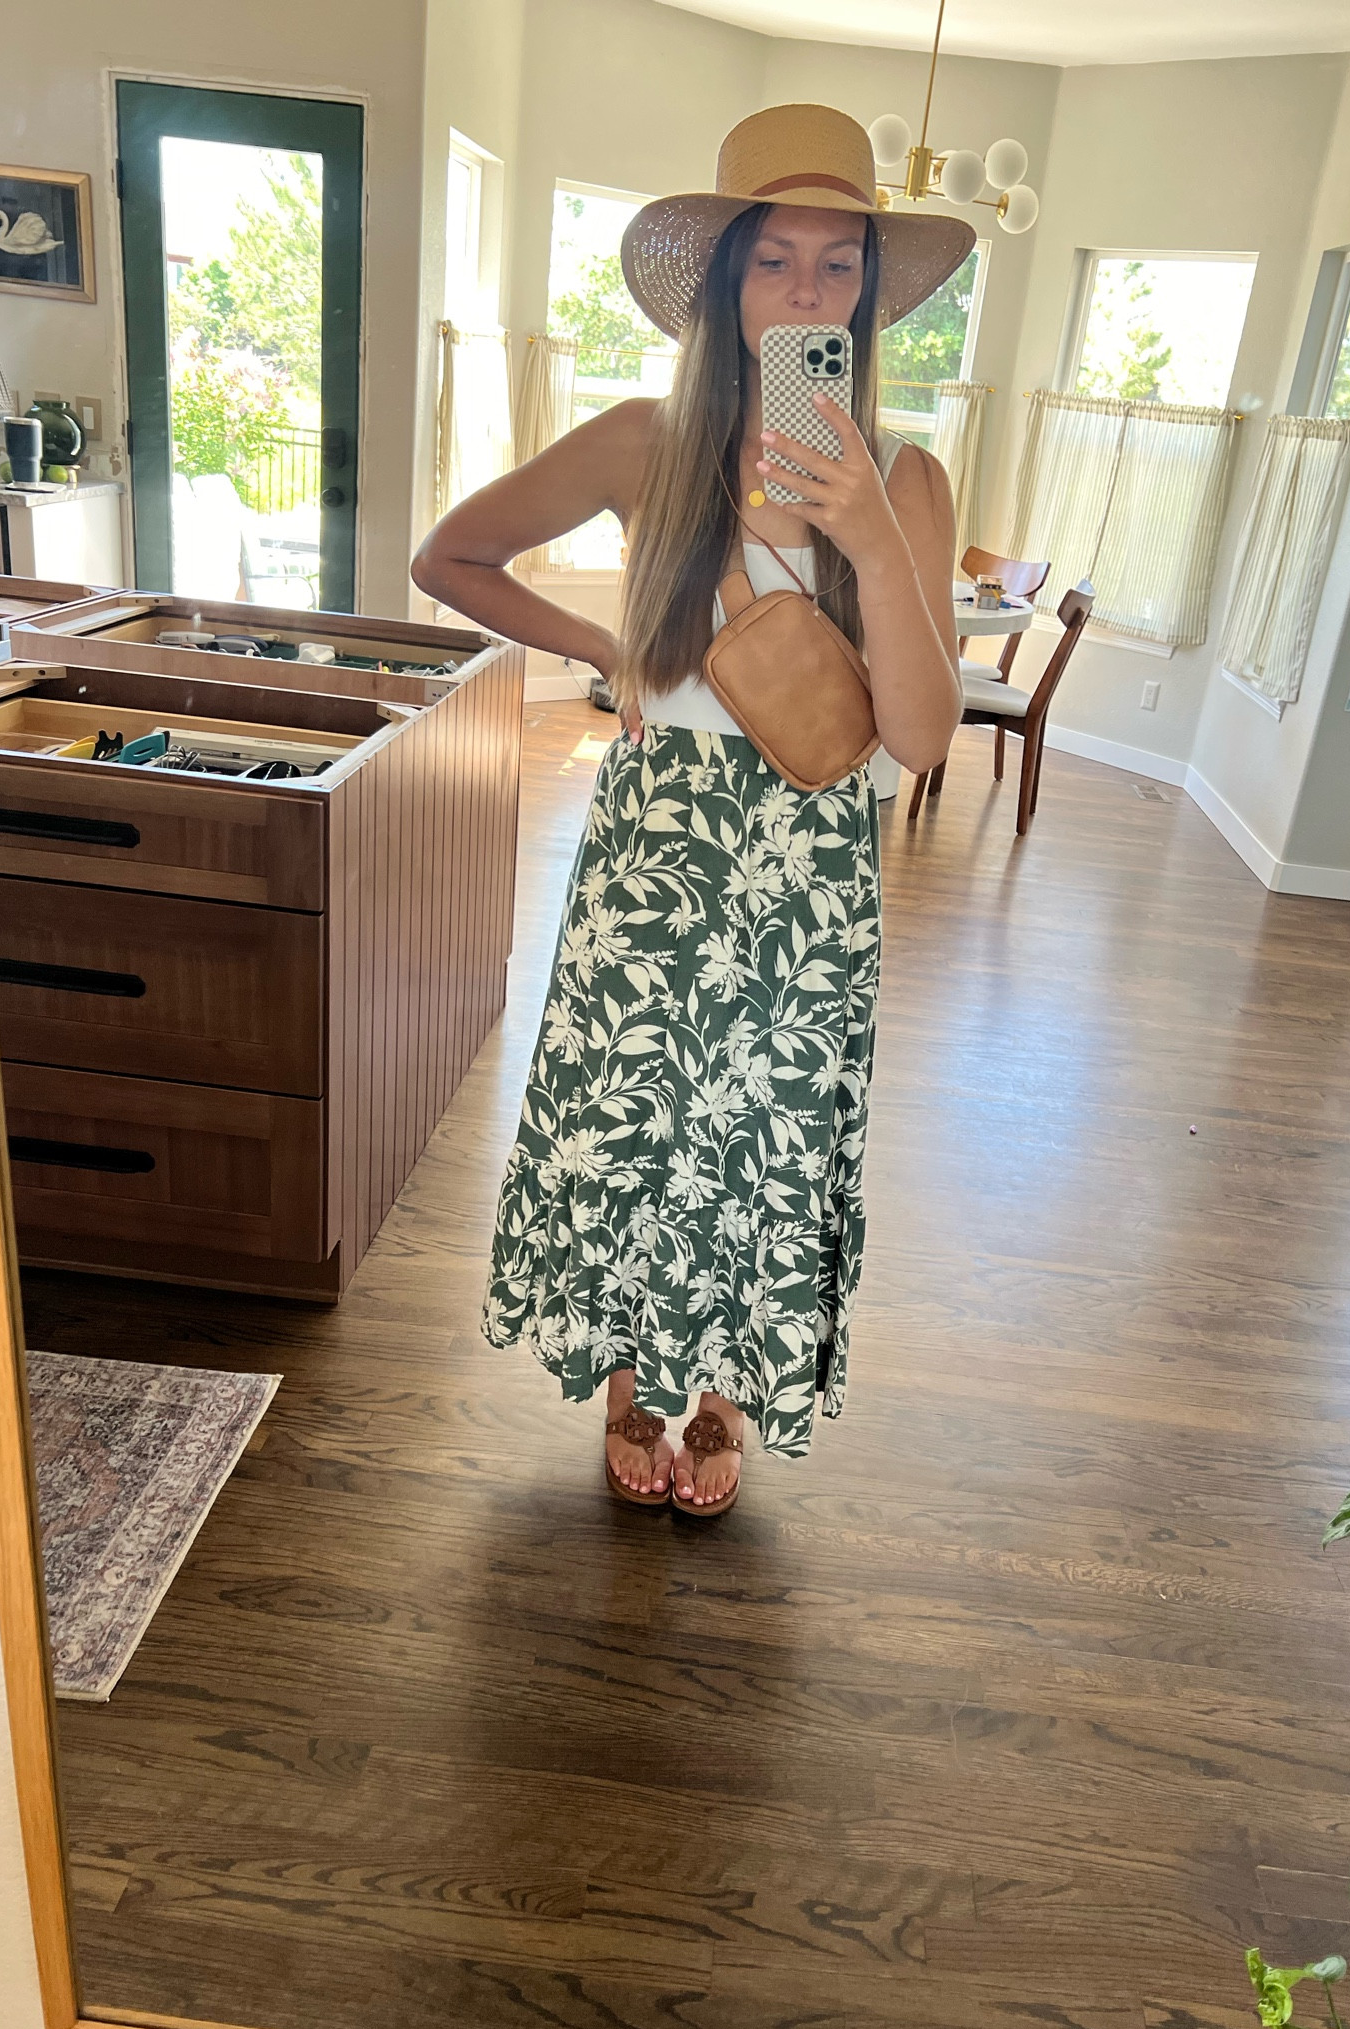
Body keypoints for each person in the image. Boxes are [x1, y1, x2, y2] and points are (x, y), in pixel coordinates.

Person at [412, 103, 968, 1518]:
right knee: (634, 1115)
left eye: (836, 265)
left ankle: (724, 1397)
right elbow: (451, 556)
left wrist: (867, 537)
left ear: (866, 294)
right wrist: (606, 651)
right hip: (659, 841)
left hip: (816, 862)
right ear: (725, 285)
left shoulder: (906, 479)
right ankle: (635, 1389)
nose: (805, 292)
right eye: (773, 260)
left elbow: (920, 736)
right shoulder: (640, 444)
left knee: (767, 1136)